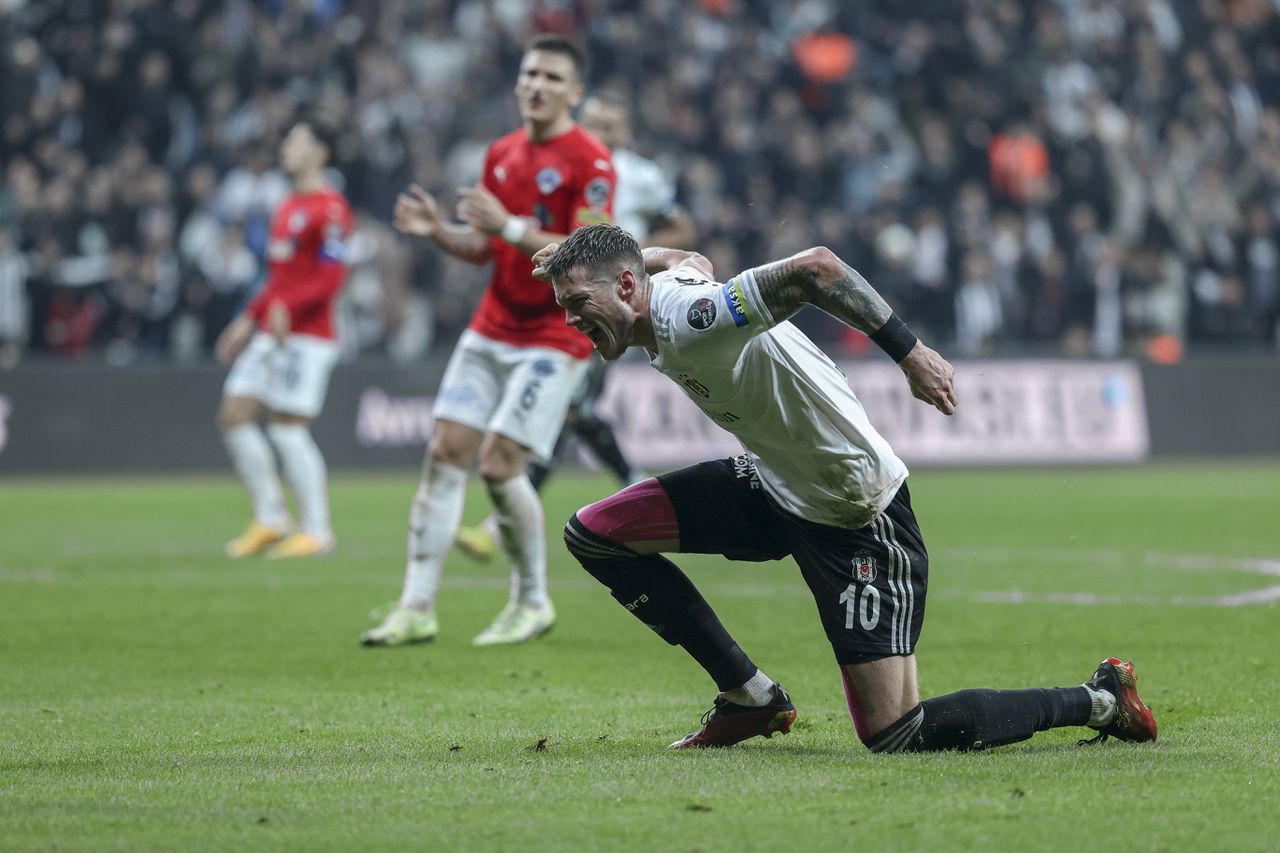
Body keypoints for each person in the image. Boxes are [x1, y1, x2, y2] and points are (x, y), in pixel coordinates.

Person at [537, 224, 1158, 752]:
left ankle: (1100, 700)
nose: (569, 319)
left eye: (578, 301)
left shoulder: (690, 319)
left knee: (895, 732)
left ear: (624, 288)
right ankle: (751, 698)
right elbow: (685, 260)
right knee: (595, 536)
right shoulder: (665, 292)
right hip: (771, 480)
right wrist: (601, 259)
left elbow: (817, 268)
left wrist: (910, 353)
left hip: (850, 506)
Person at [360, 35, 614, 648]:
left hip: (556, 334)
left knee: (501, 466)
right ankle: (416, 606)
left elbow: (593, 254)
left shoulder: (592, 161)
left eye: (553, 77)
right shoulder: (500, 153)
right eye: (530, 73)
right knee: (445, 453)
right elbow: (484, 247)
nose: (537, 85)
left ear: (574, 93)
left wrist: (510, 225)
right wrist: (438, 233)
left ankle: (532, 602)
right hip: (492, 325)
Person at [455, 91, 696, 561]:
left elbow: (683, 231)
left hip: (612, 303)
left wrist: (627, 252)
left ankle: (500, 524)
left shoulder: (640, 175)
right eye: (595, 123)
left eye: (610, 125)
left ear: (624, 132)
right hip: (565, 301)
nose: (601, 132)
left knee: (567, 408)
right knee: (575, 411)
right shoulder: (573, 162)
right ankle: (636, 484)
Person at [216, 119, 353, 559]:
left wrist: (285, 310)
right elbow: (278, 279)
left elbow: (332, 279)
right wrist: (246, 319)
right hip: (272, 331)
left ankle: (316, 531)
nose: (287, 148)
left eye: (297, 141)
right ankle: (271, 518)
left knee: (287, 428)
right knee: (234, 414)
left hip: (309, 337)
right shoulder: (285, 205)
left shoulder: (331, 209)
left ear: (321, 153)